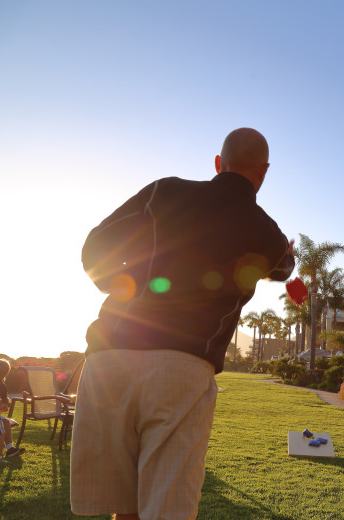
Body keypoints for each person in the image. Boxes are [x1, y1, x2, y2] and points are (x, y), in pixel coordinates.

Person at [70, 128, 295, 520]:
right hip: (181, 368)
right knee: (166, 510)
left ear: (217, 163)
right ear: (264, 172)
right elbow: (284, 267)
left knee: (119, 508)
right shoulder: (265, 230)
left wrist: (121, 289)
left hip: (110, 359)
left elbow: (95, 246)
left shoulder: (163, 192)